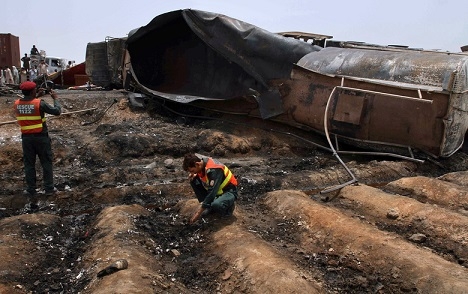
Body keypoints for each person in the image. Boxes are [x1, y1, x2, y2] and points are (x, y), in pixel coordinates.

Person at [14, 81, 62, 197]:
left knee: (29, 164)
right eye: (35, 89)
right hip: (40, 138)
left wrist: (36, 97)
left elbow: (28, 104)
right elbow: (57, 111)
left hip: (26, 139)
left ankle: (31, 189)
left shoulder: (17, 103)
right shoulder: (39, 103)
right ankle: (49, 188)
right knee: (46, 162)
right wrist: (55, 98)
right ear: (32, 91)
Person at [182, 153, 238, 224]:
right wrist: (195, 175)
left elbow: (212, 192)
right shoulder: (202, 163)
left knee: (217, 204)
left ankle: (228, 208)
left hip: (229, 191)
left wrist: (198, 213)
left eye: (192, 170)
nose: (192, 173)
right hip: (218, 192)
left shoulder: (214, 170)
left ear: (197, 164)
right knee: (194, 180)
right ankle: (209, 206)